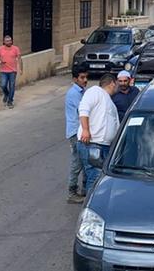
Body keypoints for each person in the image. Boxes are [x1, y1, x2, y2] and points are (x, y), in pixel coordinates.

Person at [77, 74, 121, 193]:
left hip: (103, 145)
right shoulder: (96, 92)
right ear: (112, 83)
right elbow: (83, 109)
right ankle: (92, 207)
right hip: (93, 144)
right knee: (95, 178)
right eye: (117, 83)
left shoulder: (108, 101)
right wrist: (86, 129)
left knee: (97, 177)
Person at [65, 64, 90, 203]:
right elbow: (82, 112)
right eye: (82, 77)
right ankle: (72, 191)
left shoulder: (82, 91)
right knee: (78, 162)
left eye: (86, 77)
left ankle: (84, 189)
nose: (85, 80)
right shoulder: (74, 94)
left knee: (85, 160)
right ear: (75, 79)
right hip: (76, 132)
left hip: (80, 131)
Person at [0, 35, 23, 108]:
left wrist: (20, 69)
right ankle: (6, 94)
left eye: (10, 40)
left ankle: (10, 101)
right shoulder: (0, 49)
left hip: (12, 71)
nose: (9, 42)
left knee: (12, 86)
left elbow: (20, 59)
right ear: (4, 42)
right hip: (3, 71)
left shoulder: (15, 49)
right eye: (7, 41)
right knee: (3, 85)